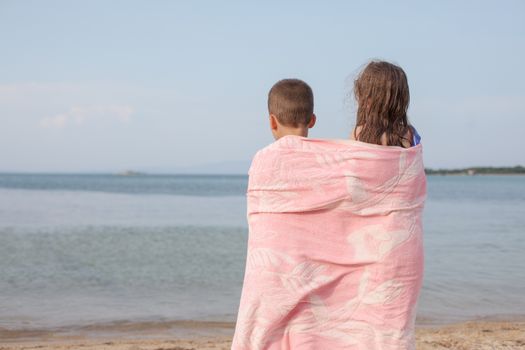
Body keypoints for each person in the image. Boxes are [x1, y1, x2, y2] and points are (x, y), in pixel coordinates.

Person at [232, 62, 426, 349]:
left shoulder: (358, 137)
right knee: (386, 329)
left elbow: (342, 193)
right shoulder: (411, 138)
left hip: (321, 257)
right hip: (397, 251)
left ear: (365, 99)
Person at [350, 60, 421, 148]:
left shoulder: (358, 134)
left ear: (367, 99)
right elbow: (416, 161)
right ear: (401, 100)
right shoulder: (409, 134)